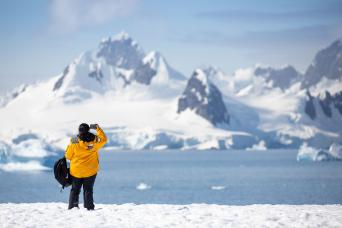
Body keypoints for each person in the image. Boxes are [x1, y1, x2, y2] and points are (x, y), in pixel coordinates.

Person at [65, 123, 107, 210]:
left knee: (75, 190)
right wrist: (97, 128)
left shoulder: (74, 141)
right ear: (88, 130)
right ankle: (89, 208)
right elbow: (104, 139)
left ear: (79, 131)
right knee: (88, 189)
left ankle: (73, 207)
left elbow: (68, 156)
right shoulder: (94, 141)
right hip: (90, 171)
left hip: (76, 171)